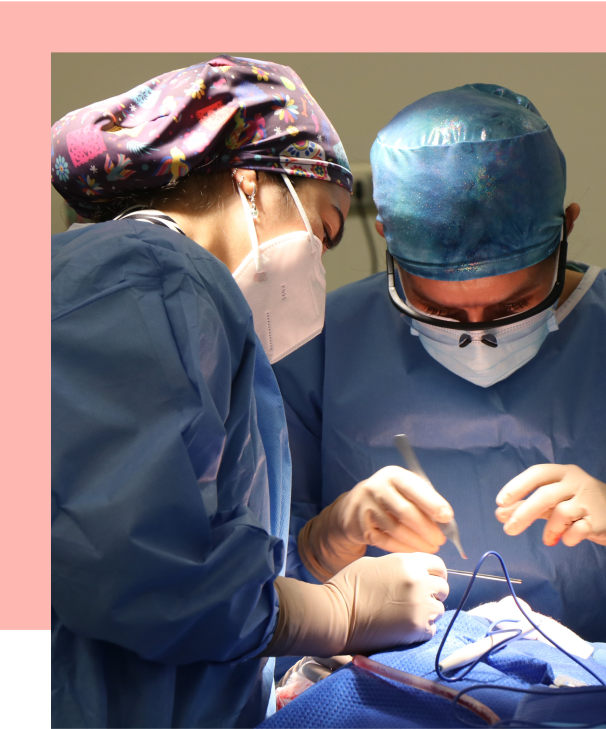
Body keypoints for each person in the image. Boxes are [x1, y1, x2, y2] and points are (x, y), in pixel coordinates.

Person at [272, 83, 606, 683]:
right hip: (387, 704)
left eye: (514, 307)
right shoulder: (319, 344)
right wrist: (321, 541)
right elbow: (236, 597)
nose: (478, 336)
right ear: (390, 248)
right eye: (441, 311)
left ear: (567, 229)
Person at [52, 55, 448, 729]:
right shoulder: (143, 274)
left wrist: (318, 549)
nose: (320, 263)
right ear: (253, 178)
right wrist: (334, 613)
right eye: (325, 230)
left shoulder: (172, 295)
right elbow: (130, 568)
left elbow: (183, 529)